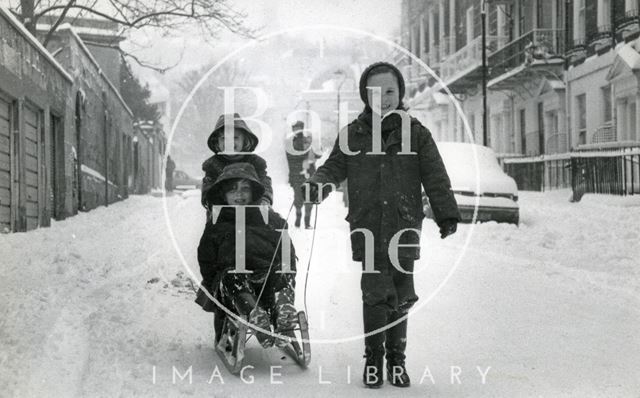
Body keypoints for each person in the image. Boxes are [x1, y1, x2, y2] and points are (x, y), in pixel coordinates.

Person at [302, 62, 460, 388]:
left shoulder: (416, 133)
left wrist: (446, 213)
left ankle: (397, 360)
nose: (384, 98)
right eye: (376, 92)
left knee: (402, 293)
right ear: (365, 96)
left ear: (400, 93)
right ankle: (373, 358)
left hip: (403, 223)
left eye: (390, 91)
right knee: (375, 294)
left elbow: (435, 175)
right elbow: (333, 168)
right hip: (368, 225)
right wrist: (316, 186)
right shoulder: (354, 134)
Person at [196, 162, 297, 348]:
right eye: (233, 190)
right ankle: (255, 315)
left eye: (245, 189)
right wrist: (212, 283)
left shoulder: (267, 217)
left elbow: (285, 247)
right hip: (234, 280)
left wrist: (287, 268)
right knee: (232, 277)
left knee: (281, 274)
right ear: (224, 195)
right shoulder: (218, 221)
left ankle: (283, 311)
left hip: (265, 275)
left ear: (254, 193)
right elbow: (206, 257)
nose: (239, 195)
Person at [285, 121, 321, 228]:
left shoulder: (306, 140)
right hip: (297, 174)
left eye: (298, 128)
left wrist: (312, 153)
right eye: (295, 128)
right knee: (299, 197)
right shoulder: (291, 143)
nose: (296, 130)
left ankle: (305, 221)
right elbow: (291, 158)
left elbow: (317, 154)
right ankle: (299, 219)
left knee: (306, 197)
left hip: (307, 174)